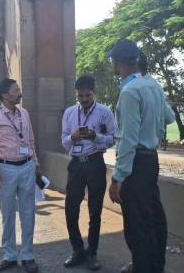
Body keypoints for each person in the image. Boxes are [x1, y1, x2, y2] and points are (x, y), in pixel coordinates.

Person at [107, 40, 175, 273]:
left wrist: (117, 178)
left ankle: (143, 267)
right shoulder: (153, 85)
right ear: (137, 59)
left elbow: (128, 140)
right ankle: (155, 265)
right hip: (151, 160)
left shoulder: (129, 92)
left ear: (115, 62)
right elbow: (169, 118)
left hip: (136, 162)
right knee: (153, 216)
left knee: (137, 223)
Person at [0, 78, 41, 273]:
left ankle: (27, 255)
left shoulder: (24, 114)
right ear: (6, 94)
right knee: (8, 215)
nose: (19, 92)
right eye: (16, 90)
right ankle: (9, 255)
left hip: (26, 168)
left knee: (28, 213)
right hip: (5, 169)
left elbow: (30, 141)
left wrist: (36, 164)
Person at [61, 75, 116, 271]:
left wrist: (96, 136)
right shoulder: (69, 112)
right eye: (80, 95)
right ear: (76, 94)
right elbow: (63, 141)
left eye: (87, 95)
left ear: (93, 92)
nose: (83, 99)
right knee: (70, 209)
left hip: (95, 164)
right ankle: (77, 249)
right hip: (76, 165)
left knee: (95, 211)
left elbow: (112, 139)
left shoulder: (104, 112)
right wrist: (72, 137)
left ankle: (92, 253)